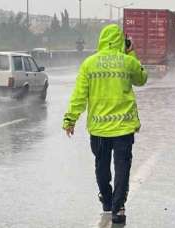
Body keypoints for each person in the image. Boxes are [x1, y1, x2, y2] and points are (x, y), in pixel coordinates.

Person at [62, 24, 147, 224]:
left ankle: (107, 200)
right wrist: (132, 52)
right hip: (123, 128)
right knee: (122, 168)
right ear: (121, 41)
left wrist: (70, 119)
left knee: (101, 167)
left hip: (99, 129)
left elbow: (79, 95)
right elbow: (142, 78)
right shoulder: (127, 62)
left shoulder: (89, 64)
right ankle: (118, 208)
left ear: (101, 40)